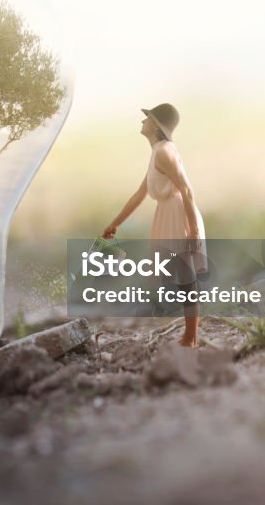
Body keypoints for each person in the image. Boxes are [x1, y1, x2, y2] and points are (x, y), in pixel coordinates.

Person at [101, 103, 207, 347]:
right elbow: (140, 194)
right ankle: (188, 334)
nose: (142, 122)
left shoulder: (164, 152)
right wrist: (115, 223)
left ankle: (190, 337)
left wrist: (194, 230)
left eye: (147, 118)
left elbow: (187, 190)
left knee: (186, 277)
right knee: (180, 277)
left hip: (179, 213)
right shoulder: (157, 152)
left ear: (156, 126)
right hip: (167, 213)